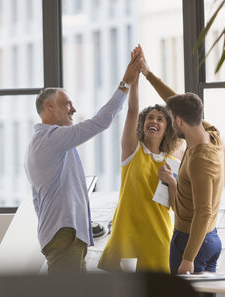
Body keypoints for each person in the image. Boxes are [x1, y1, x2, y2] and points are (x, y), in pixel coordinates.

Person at [24, 51, 141, 274]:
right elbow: (100, 122)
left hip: (64, 233)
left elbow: (39, 199)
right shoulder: (52, 139)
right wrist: (125, 82)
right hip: (64, 234)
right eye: (67, 104)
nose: (74, 110)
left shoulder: (40, 143)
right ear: (49, 107)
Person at [141, 47, 225, 297]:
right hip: (207, 239)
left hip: (193, 242)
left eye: (170, 117)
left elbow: (202, 211)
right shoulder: (210, 134)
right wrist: (148, 73)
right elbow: (175, 101)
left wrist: (188, 258)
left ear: (177, 121)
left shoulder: (202, 159)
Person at [97, 46, 181, 273]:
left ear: (167, 129)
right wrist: (135, 79)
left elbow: (176, 207)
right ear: (144, 125)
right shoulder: (132, 151)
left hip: (159, 239)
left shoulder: (172, 163)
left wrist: (172, 182)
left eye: (160, 119)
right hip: (127, 240)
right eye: (150, 118)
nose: (153, 121)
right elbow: (132, 110)